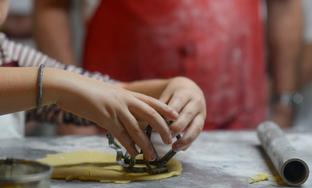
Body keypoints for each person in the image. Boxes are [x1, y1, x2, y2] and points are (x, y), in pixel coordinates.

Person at [34, 0, 303, 129]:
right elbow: (51, 7)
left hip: (240, 119)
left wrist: (285, 102)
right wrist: (73, 114)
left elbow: (286, 5)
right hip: (117, 123)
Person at [0, 0, 206, 159]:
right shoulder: (46, 79)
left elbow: (107, 93)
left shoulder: (10, 57)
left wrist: (177, 88)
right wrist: (56, 85)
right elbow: (64, 87)